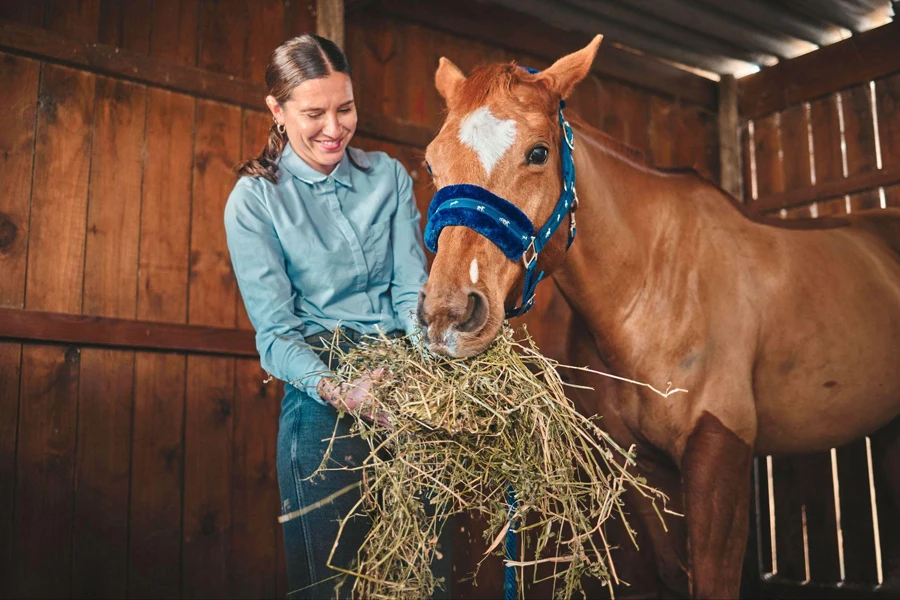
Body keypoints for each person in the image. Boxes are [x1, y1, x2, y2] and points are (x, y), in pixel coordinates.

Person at [224, 34, 428, 599]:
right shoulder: (255, 201)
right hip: (324, 391)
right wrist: (341, 391)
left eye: (345, 109)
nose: (334, 129)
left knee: (427, 578)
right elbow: (276, 335)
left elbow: (412, 290)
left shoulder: (387, 177)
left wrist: (429, 372)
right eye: (314, 114)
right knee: (333, 586)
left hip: (405, 382)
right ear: (277, 110)